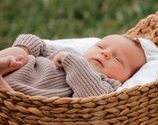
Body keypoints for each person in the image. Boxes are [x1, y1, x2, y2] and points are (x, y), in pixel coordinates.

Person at [0, 33, 147, 97]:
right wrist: (25, 48)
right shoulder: (71, 52)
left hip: (21, 100)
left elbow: (91, 96)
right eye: (100, 47)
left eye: (118, 59)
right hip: (17, 67)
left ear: (128, 78)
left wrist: (71, 61)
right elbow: (39, 44)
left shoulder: (107, 86)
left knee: (19, 104)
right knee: (21, 53)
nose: (105, 53)